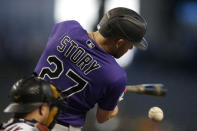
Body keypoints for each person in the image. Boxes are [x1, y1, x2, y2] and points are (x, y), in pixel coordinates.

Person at [33, 7, 148, 131]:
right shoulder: (115, 76)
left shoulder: (66, 27)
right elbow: (102, 118)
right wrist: (113, 102)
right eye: (130, 43)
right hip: (58, 126)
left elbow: (70, 64)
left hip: (24, 114)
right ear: (119, 42)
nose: (130, 48)